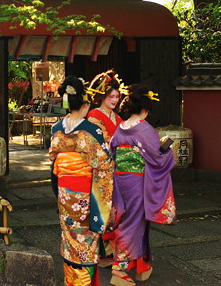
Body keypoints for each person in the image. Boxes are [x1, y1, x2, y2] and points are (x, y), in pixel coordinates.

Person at [49, 76, 114, 286]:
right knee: (85, 244)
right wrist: (107, 204)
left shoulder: (56, 129)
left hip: (65, 195)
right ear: (85, 104)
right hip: (85, 198)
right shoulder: (91, 130)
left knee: (69, 242)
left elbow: (54, 168)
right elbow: (104, 168)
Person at [108, 84, 176, 286]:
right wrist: (167, 151)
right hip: (137, 183)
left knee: (130, 221)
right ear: (145, 109)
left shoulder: (120, 128)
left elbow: (112, 152)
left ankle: (142, 266)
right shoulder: (145, 130)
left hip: (119, 181)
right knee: (132, 224)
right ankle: (119, 270)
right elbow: (158, 159)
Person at [86, 70, 123, 267]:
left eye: (117, 97)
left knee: (117, 210)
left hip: (118, 169)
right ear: (102, 96)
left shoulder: (116, 117)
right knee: (103, 209)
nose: (115, 100)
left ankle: (114, 250)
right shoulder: (94, 115)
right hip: (102, 170)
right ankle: (103, 252)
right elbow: (98, 143)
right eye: (111, 96)